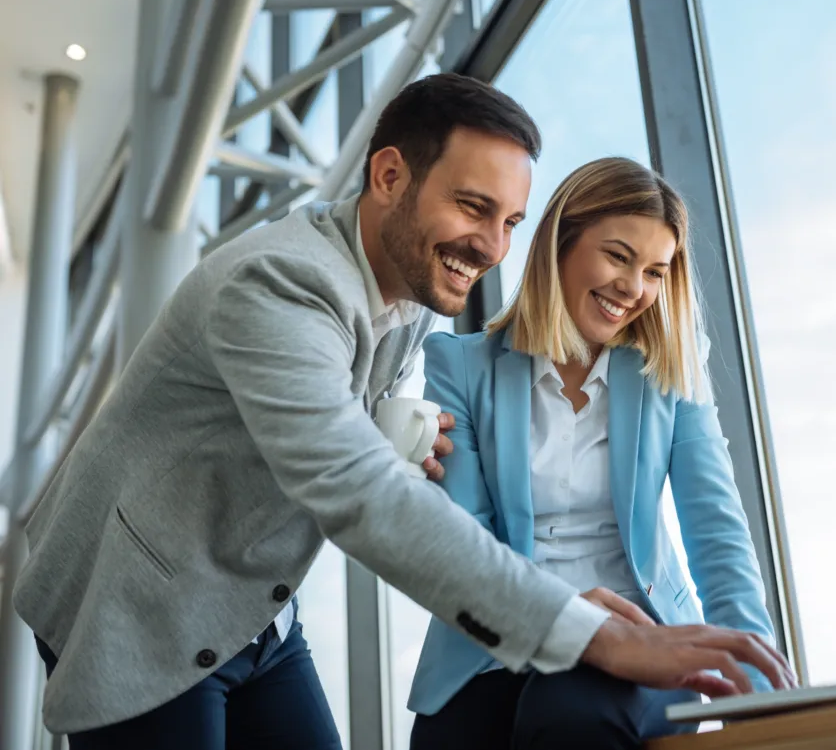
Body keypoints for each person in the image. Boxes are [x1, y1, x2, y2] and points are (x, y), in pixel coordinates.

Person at [12, 75, 792, 750]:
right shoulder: (280, 282)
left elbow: (346, 435)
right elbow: (361, 494)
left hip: (256, 609)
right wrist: (602, 637)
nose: (491, 245)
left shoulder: (415, 288)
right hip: (143, 597)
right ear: (389, 175)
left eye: (510, 222)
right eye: (473, 206)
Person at [408, 157, 782, 749]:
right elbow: (466, 537)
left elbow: (717, 530)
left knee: (571, 714)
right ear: (561, 243)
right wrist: (557, 615)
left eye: (656, 272)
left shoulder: (671, 369)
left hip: (642, 637)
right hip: (495, 641)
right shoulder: (461, 365)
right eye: (618, 257)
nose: (634, 290)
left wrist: (760, 690)